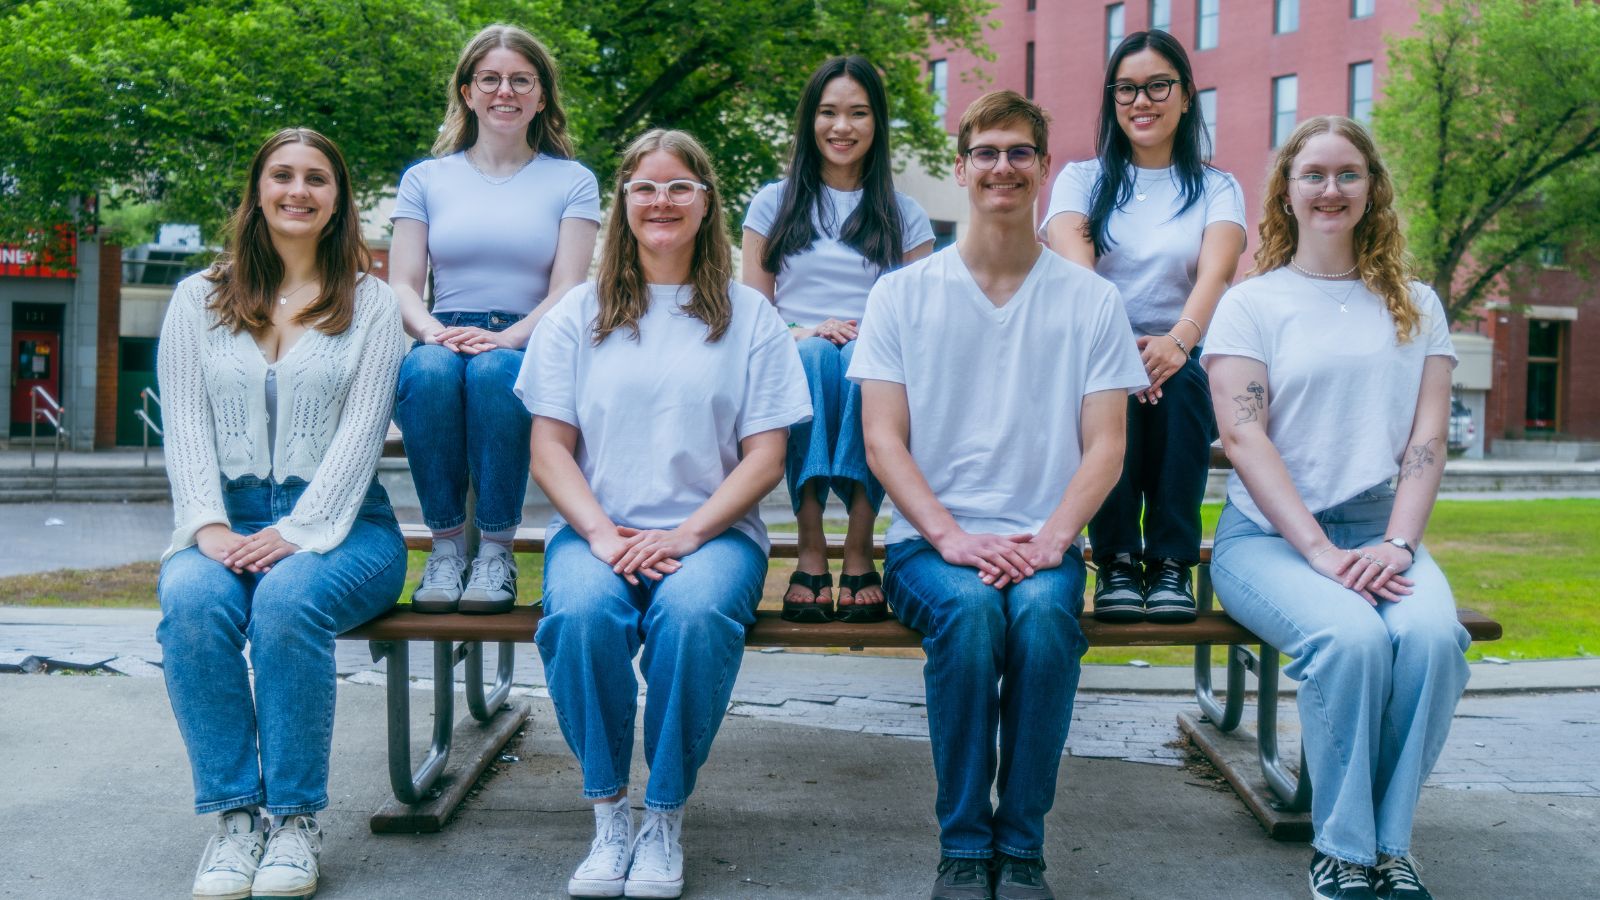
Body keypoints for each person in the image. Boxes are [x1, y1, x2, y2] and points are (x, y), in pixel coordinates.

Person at [852, 91, 1148, 900]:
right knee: (974, 613)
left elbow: (1107, 446)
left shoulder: (1092, 301)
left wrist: (1054, 539)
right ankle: (962, 847)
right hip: (929, 548)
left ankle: (1021, 848)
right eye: (986, 152)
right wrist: (950, 538)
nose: (1003, 167)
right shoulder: (902, 295)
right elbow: (884, 441)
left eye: (1020, 153)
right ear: (961, 168)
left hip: (1043, 541)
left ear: (1045, 170)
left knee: (1045, 619)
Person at [517, 129, 810, 899]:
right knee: (580, 615)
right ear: (622, 202)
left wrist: (686, 534)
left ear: (707, 201)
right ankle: (610, 809)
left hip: (712, 536)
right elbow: (549, 450)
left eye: (680, 186)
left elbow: (765, 458)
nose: (661, 201)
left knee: (691, 616)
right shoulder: (575, 315)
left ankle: (665, 813)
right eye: (644, 187)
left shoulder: (750, 318)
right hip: (597, 529)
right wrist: (604, 535)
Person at [1202, 116, 1469, 900]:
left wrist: (1397, 545)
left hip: (1382, 530)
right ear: (1286, 191)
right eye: (1313, 173)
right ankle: (1342, 851)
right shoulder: (1251, 304)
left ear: (1372, 189)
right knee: (1350, 641)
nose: (1330, 189)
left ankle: (1391, 849)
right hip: (1269, 540)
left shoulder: (1416, 305)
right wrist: (1319, 552)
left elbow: (1426, 440)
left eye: (1347, 173)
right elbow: (1244, 438)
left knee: (1430, 641)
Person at [156, 127, 409, 900]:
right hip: (224, 516)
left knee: (287, 599)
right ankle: (235, 821)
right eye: (283, 175)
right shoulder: (198, 298)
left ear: (338, 201)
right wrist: (209, 528)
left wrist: (297, 533)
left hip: (346, 526)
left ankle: (295, 820)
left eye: (317, 179)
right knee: (191, 599)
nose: (298, 190)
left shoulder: (371, 303)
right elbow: (187, 427)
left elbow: (363, 435)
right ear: (258, 191)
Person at [391, 23, 600, 613]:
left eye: (519, 80)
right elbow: (403, 285)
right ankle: (448, 549)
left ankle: (497, 554)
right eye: (490, 79)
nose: (503, 91)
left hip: (530, 335)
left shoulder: (571, 180)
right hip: (444, 332)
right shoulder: (426, 179)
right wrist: (433, 332)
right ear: (467, 92)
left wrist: (507, 337)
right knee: (428, 374)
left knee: (496, 374)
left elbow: (569, 287)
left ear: (540, 96)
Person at [1043, 30, 1246, 624]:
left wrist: (1177, 343)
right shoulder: (1082, 180)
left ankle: (1170, 565)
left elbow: (1217, 273)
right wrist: (1121, 350)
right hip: (1099, 347)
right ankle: (1115, 563)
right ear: (1112, 100)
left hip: (1183, 353)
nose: (1142, 100)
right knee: (1111, 392)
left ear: (1185, 96)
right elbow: (1080, 271)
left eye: (1158, 85)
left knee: (1183, 391)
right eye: (1127, 89)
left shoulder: (1216, 187)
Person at [741, 54, 935, 623]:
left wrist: (861, 335)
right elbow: (755, 308)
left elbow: (916, 315)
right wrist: (805, 328)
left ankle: (856, 547)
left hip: (877, 351)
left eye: (857, 113)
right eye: (828, 112)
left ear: (876, 124)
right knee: (815, 357)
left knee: (858, 363)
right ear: (810, 121)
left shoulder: (906, 214)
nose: (841, 127)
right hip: (791, 346)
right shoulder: (772, 202)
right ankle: (809, 545)